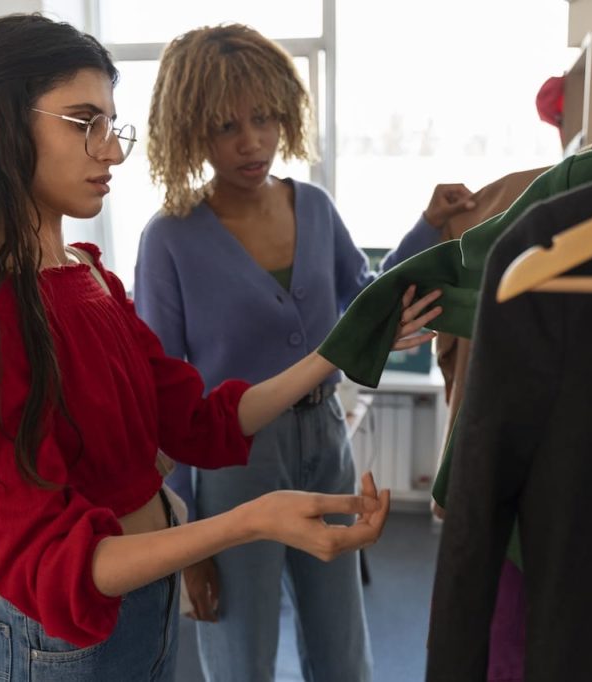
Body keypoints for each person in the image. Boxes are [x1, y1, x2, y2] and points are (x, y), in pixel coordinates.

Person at [0, 14, 441, 682]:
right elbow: (49, 562)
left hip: (147, 605)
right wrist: (247, 521)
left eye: (112, 125)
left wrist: (333, 353)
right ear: (0, 125)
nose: (112, 152)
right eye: (84, 122)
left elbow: (197, 421)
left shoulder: (88, 276)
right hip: (71, 645)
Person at [136, 23, 476, 682]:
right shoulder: (169, 239)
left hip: (326, 438)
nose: (251, 141)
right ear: (189, 131)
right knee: (242, 655)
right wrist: (184, 542)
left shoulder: (314, 208)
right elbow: (162, 407)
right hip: (233, 462)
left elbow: (368, 300)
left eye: (263, 118)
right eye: (226, 126)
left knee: (342, 646)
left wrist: (427, 226)